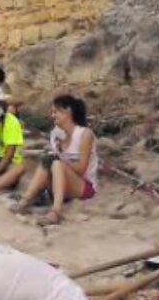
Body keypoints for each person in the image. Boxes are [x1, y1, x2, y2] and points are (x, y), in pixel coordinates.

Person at [9, 95, 100, 226]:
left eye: (55, 111)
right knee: (48, 160)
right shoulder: (56, 134)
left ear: (67, 111)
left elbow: (81, 169)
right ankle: (25, 200)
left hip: (83, 186)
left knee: (56, 163)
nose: (53, 115)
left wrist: (60, 159)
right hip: (60, 183)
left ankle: (56, 211)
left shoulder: (84, 134)